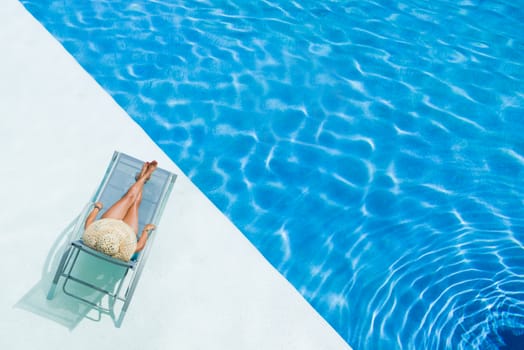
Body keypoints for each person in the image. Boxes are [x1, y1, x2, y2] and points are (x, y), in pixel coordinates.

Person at [82, 160, 158, 261]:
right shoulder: (121, 247)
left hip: (108, 223)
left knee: (129, 197)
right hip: (126, 234)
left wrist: (97, 209)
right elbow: (139, 246)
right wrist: (146, 230)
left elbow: (88, 225)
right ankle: (143, 177)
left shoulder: (97, 241)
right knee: (135, 204)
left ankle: (145, 175)